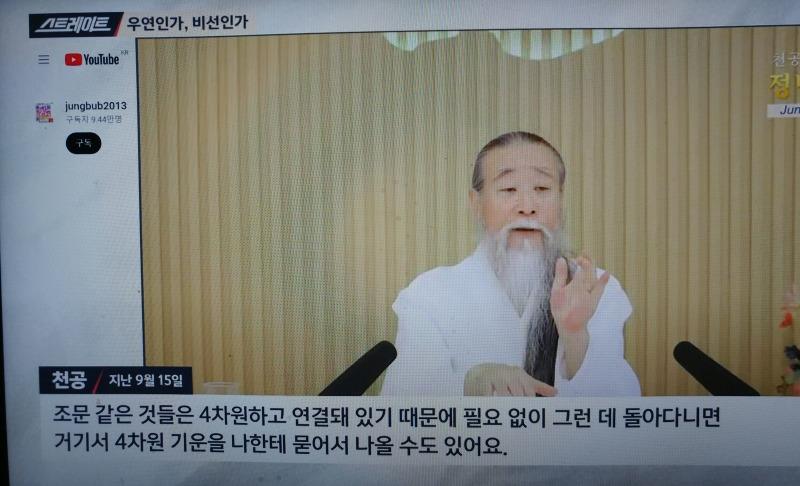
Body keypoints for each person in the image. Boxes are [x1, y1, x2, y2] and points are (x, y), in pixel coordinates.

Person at [380, 131, 641, 397]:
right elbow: (401, 403)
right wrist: (468, 383)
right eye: (508, 190)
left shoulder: (593, 288)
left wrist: (575, 334)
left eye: (542, 189)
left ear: (561, 201)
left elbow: (623, 407)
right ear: (476, 204)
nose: (527, 207)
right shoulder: (430, 293)